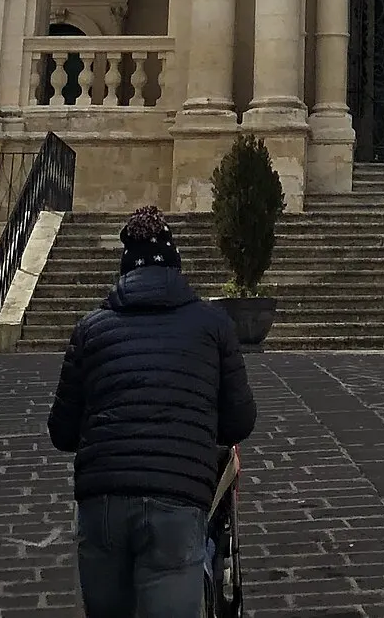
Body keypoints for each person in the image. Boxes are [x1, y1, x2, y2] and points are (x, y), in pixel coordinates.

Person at [48, 204, 257, 618]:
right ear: (176, 267)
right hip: (177, 499)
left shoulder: (90, 328)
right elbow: (239, 422)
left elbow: (62, 432)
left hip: (103, 502)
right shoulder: (214, 326)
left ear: (124, 270)